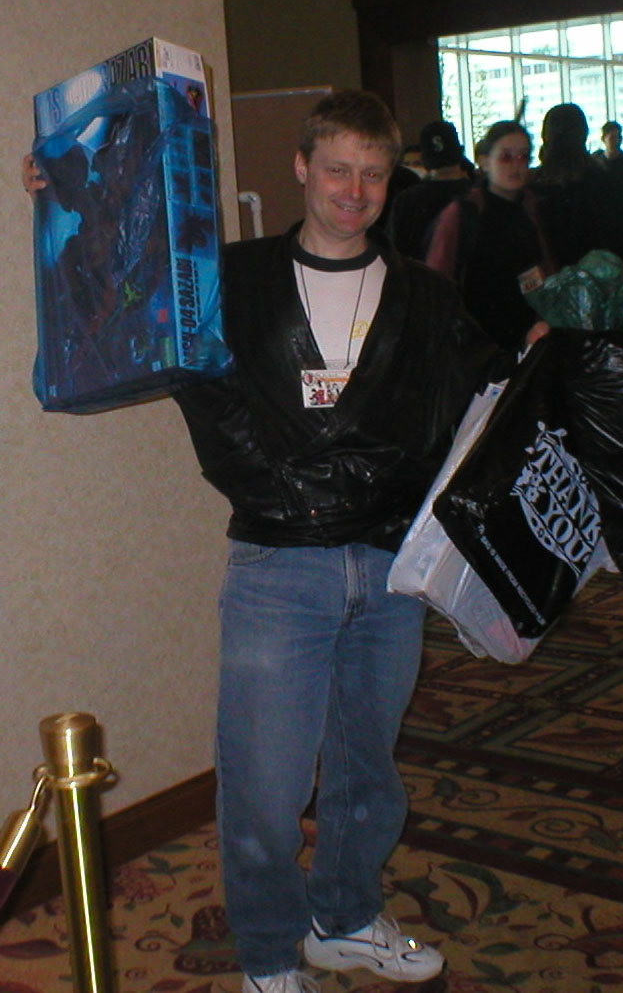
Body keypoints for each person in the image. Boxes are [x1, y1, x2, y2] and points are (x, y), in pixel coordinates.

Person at [23, 90, 504, 993]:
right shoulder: (227, 278)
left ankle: (344, 918)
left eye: (373, 174)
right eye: (337, 169)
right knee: (263, 787)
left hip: (390, 566)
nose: (354, 191)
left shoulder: (426, 296)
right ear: (301, 167)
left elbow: (482, 400)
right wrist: (66, 204)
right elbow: (115, 307)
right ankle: (270, 959)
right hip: (277, 564)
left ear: (390, 180)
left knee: (366, 772)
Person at [425, 120, 552, 351]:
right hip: (475, 340)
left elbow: (546, 270)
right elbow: (437, 279)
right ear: (484, 161)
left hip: (530, 335)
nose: (516, 165)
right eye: (505, 157)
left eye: (523, 157)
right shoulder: (463, 213)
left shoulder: (534, 209)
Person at [527, 103, 623, 266]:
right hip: (599, 272)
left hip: (548, 275)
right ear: (583, 134)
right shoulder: (603, 180)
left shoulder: (533, 185)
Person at [386, 120, 473, 260]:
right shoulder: (479, 194)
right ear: (459, 151)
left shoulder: (407, 199)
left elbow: (395, 252)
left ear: (425, 156)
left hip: (420, 272)